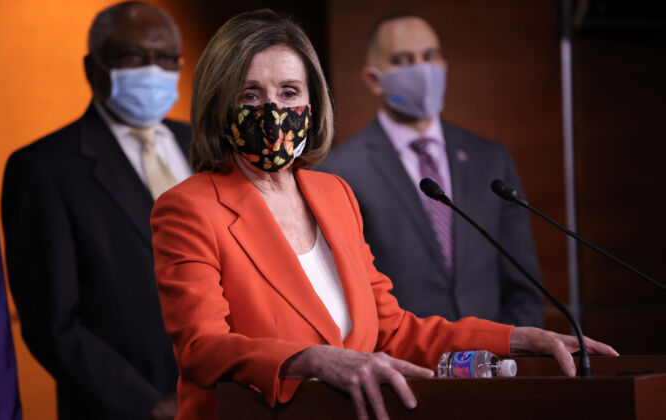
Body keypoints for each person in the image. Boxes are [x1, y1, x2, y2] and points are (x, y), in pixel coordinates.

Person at [150, 9, 617, 420]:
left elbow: (392, 330)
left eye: (289, 91)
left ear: (312, 105)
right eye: (250, 95)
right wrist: (313, 359)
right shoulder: (188, 208)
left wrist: (518, 338)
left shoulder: (334, 194)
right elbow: (202, 348)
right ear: (218, 104)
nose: (273, 110)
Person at [1, 2, 192, 419]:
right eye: (132, 57)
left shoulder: (203, 145)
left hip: (228, 396)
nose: (153, 71)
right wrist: (149, 405)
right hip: (127, 409)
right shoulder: (43, 168)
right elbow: (54, 324)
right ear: (93, 68)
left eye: (165, 60)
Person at [318, 14, 545, 327]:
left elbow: (524, 287)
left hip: (497, 365)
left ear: (444, 65)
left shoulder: (491, 159)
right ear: (373, 79)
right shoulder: (339, 172)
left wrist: (516, 358)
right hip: (404, 367)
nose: (422, 69)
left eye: (429, 56)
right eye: (403, 60)